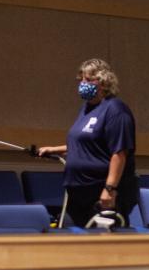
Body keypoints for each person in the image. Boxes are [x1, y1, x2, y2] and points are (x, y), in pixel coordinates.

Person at [37, 58, 138, 228]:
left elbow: (119, 152)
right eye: (82, 79)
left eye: (89, 80)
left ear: (104, 81)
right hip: (79, 194)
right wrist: (53, 150)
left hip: (101, 195)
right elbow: (85, 145)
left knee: (102, 248)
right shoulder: (86, 109)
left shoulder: (116, 110)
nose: (83, 83)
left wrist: (109, 189)